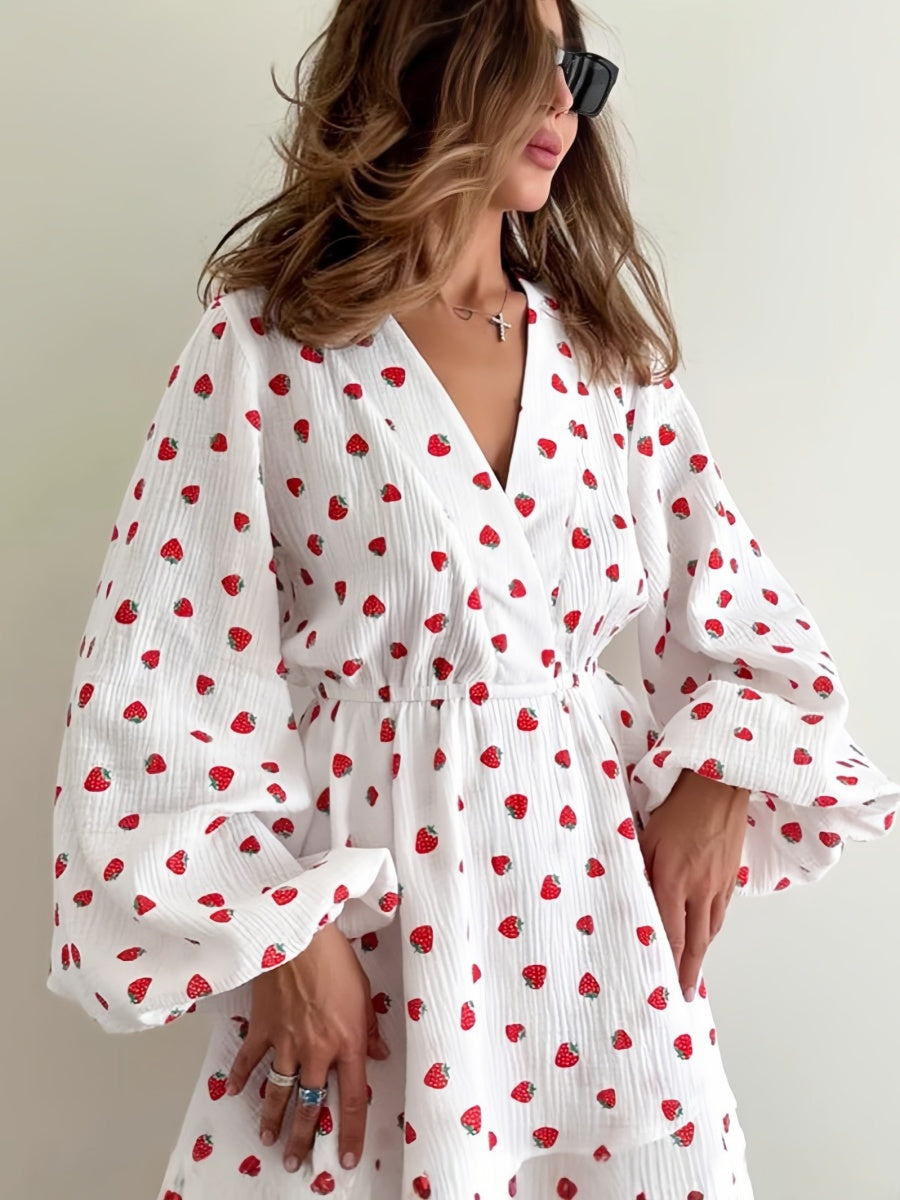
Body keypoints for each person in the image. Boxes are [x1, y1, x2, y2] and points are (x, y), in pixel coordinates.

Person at [46, 1, 899, 1197]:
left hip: (598, 949)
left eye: (578, 72)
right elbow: (163, 676)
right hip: (371, 949)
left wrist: (718, 779)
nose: (563, 103)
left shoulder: (607, 361)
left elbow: (743, 622)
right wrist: (281, 938)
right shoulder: (265, 348)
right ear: (424, 60)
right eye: (529, 63)